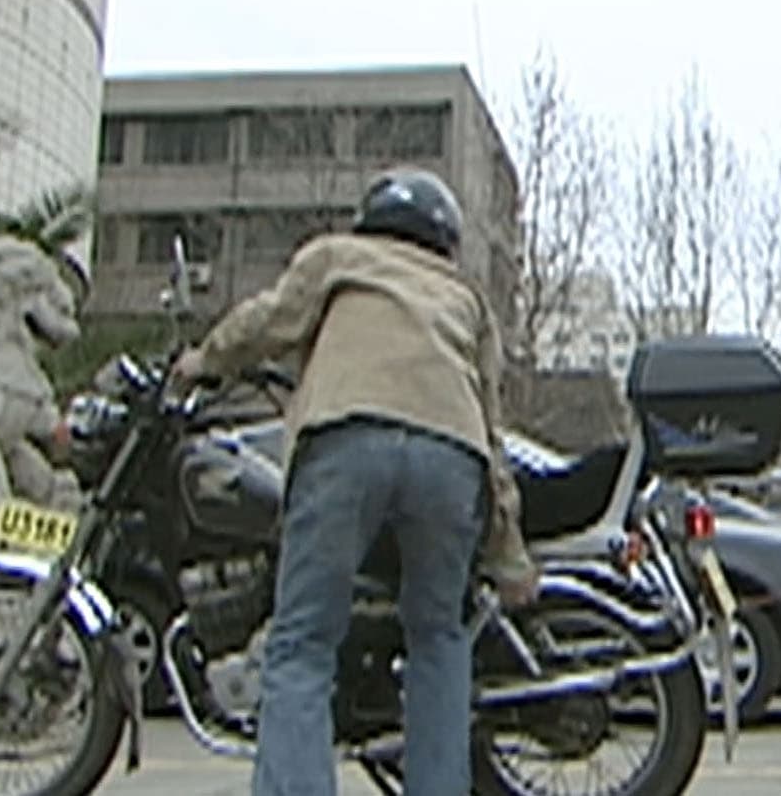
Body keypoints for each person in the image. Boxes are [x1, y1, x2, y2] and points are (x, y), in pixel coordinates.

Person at [167, 168, 538, 796]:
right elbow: (491, 426)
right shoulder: (466, 297)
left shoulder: (337, 256)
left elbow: (267, 322)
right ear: (445, 237)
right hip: (451, 454)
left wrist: (202, 361)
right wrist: (509, 552)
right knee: (438, 639)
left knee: (303, 643)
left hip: (346, 439)